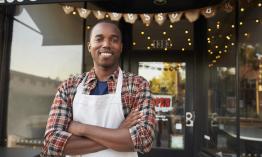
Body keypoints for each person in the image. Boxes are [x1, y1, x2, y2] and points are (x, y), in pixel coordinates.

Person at [40, 20, 156, 157]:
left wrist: (82, 128)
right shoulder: (69, 86)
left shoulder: (137, 85)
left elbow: (144, 139)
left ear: (121, 47)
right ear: (90, 46)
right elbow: (52, 143)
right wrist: (119, 131)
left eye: (114, 40)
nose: (106, 44)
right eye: (99, 39)